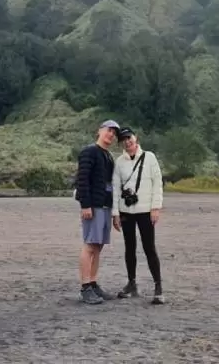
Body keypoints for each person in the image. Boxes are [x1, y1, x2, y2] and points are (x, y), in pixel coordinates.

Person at [111, 127, 165, 305]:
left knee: (149, 247)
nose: (127, 141)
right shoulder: (119, 162)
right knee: (129, 247)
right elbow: (116, 188)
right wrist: (115, 213)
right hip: (127, 211)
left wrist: (156, 207)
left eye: (129, 137)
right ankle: (131, 283)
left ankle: (158, 287)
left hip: (145, 210)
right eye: (124, 139)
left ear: (136, 138)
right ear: (121, 143)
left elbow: (157, 183)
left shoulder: (149, 157)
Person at [74, 119, 120, 305]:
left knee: (98, 245)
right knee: (89, 245)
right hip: (93, 205)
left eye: (114, 133)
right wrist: (85, 204)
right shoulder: (89, 151)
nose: (111, 134)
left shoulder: (108, 156)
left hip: (105, 205)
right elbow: (82, 178)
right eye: (109, 130)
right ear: (99, 131)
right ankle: (85, 288)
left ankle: (93, 283)